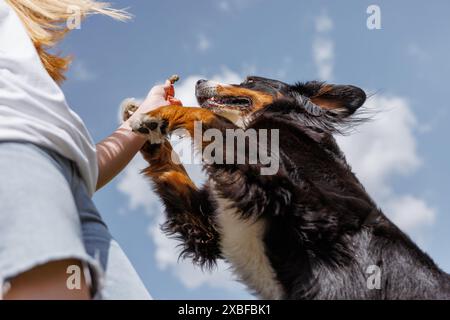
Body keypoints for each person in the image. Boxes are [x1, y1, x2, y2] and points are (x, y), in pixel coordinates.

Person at [0, 0, 181, 299]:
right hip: (15, 165)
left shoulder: (25, 73)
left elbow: (86, 168)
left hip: (70, 193)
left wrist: (146, 117)